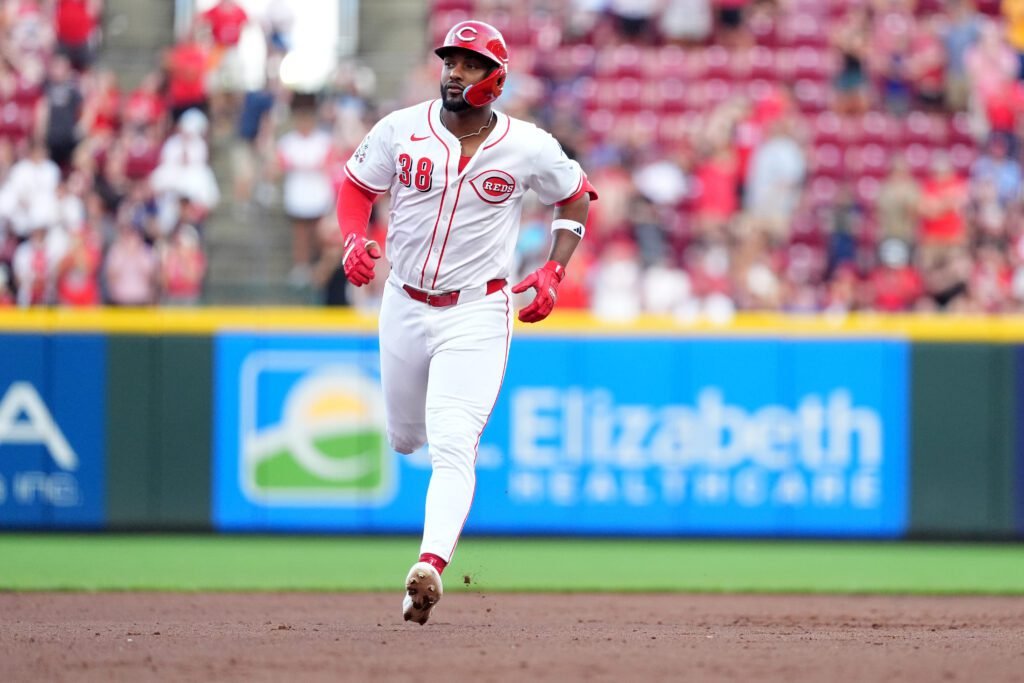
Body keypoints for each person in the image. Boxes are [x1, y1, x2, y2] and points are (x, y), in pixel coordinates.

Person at [337, 21, 595, 625]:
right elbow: (355, 187)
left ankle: (428, 567)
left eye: (471, 63)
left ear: (495, 77)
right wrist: (353, 239)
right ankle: (422, 463)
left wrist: (554, 269)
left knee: (453, 441)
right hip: (403, 300)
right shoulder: (400, 129)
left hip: (479, 309)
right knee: (406, 438)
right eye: (451, 60)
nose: (455, 70)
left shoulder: (528, 144)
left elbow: (576, 194)